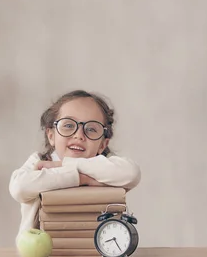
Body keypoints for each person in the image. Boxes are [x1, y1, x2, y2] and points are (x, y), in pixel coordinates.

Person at [9, 90, 141, 242]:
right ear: (51, 135)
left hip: (92, 250)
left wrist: (65, 164)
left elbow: (132, 173)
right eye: (69, 125)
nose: (79, 135)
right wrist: (80, 178)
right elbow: (19, 187)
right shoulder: (39, 161)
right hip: (40, 254)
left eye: (91, 129)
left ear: (102, 144)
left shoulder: (106, 164)